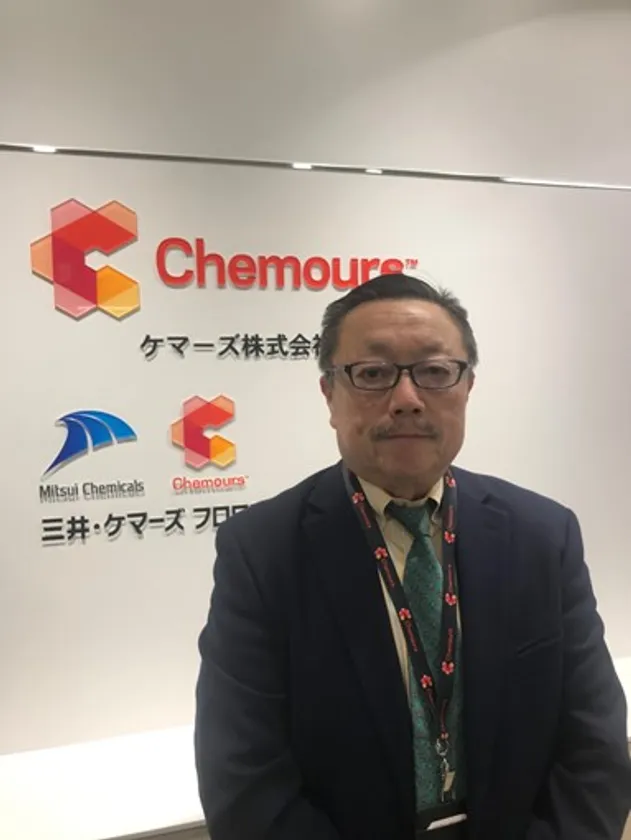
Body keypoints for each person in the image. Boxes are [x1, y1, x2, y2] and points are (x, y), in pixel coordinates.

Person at [194, 273, 631, 839]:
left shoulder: (544, 535)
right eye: (373, 374)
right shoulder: (261, 551)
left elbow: (595, 745)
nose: (406, 399)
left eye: (435, 371)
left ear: (467, 387)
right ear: (329, 394)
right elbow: (243, 782)